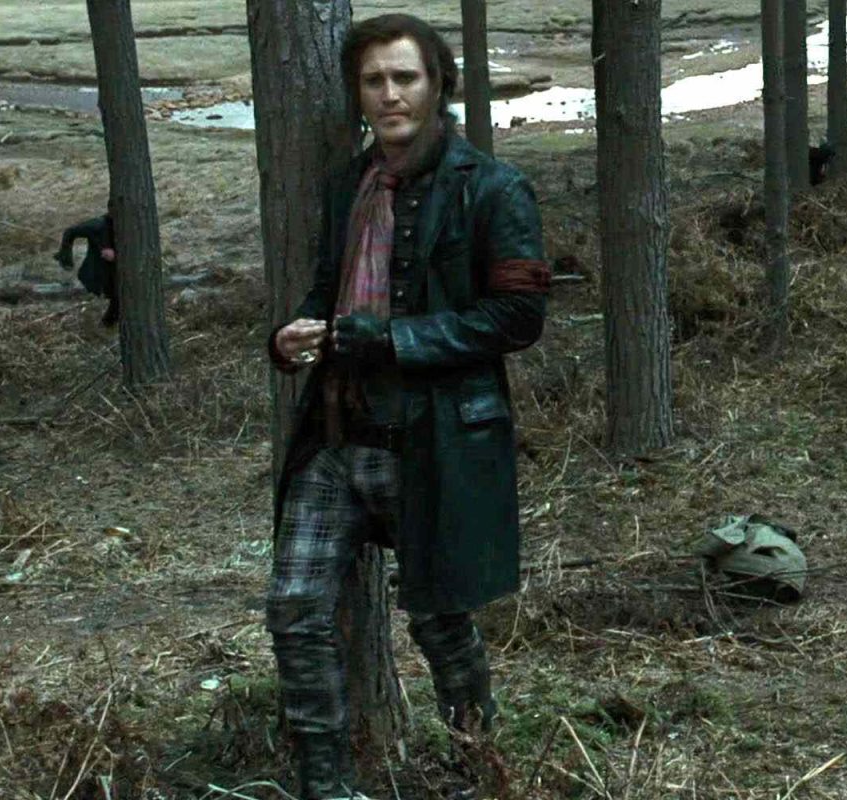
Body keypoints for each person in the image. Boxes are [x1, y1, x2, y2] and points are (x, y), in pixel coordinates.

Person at [265, 13, 549, 800]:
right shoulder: (347, 185)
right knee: (295, 609)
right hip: (335, 435)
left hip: (435, 440)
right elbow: (329, 291)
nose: (389, 95)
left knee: (439, 617)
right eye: (373, 81)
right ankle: (327, 787)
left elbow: (517, 318)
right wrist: (293, 337)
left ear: (437, 85)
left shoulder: (492, 188)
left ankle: (482, 772)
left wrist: (391, 339)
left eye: (405, 78)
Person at [54, 210, 118, 325]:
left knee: (118, 296)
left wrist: (116, 256)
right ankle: (108, 322)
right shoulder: (100, 225)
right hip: (98, 272)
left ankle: (108, 322)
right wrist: (66, 256)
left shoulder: (134, 227)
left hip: (117, 272)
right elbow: (71, 231)